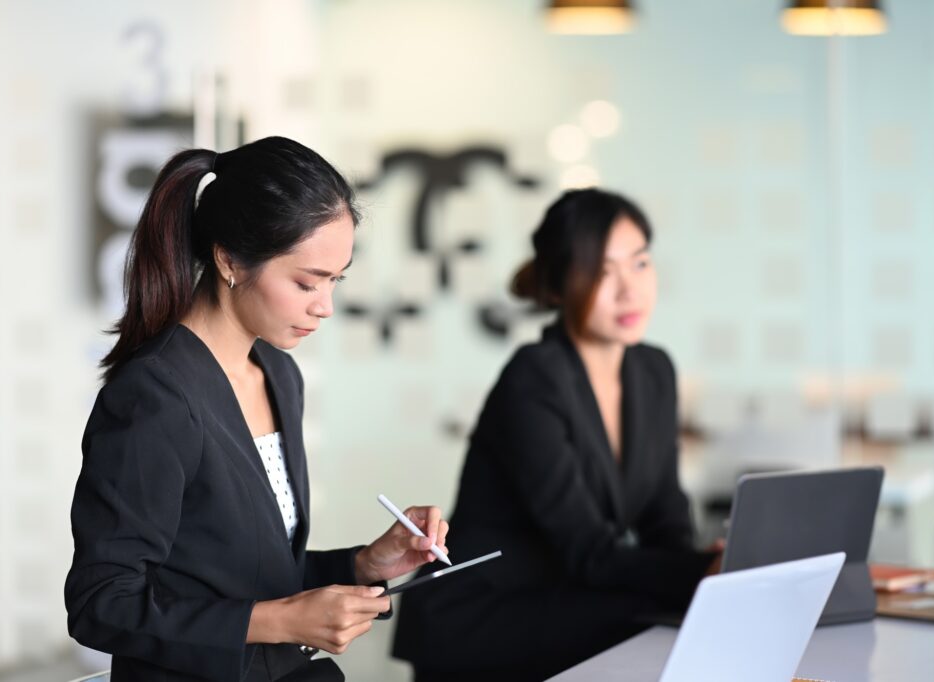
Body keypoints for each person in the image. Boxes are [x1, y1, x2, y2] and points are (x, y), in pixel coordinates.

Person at [65, 136, 449, 682]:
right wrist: (280, 621)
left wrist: (364, 564)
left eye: (335, 281)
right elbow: (101, 603)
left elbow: (247, 571)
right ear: (228, 259)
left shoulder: (277, 374)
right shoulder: (154, 396)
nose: (326, 306)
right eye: (306, 282)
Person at [392, 188, 721, 681]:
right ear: (562, 283)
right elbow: (587, 550)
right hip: (485, 615)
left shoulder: (653, 371)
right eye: (602, 271)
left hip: (571, 600)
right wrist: (698, 573)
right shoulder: (535, 376)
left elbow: (665, 520)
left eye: (639, 264)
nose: (628, 290)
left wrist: (709, 567)